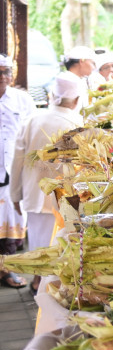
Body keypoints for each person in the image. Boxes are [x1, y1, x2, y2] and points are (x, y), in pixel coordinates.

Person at [10, 73, 85, 293]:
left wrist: (15, 195)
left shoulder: (32, 119)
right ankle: (51, 284)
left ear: (51, 95)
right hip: (65, 196)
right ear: (78, 100)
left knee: (38, 239)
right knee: (60, 242)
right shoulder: (77, 123)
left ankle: (37, 279)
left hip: (35, 193)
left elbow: (17, 161)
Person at [0, 55, 37, 288]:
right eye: (0, 72)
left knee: (10, 224)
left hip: (12, 170)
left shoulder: (22, 100)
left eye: (7, 72)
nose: (4, 77)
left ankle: (6, 270)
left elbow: (32, 133)